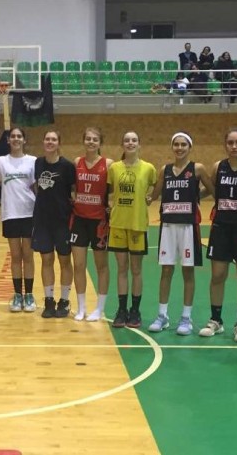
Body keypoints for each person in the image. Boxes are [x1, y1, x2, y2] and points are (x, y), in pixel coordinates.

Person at [148, 132, 213, 335]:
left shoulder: (198, 168)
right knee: (166, 271)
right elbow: (154, 195)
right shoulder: (164, 170)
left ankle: (186, 318)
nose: (179, 147)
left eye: (183, 144)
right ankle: (162, 316)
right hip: (168, 226)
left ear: (189, 147)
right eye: (176, 144)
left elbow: (212, 190)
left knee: (188, 272)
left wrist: (197, 196)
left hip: (188, 227)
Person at [200, 127, 237, 343]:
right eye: (230, 142)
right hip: (221, 227)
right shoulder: (219, 167)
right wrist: (189, 197)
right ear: (225, 144)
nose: (234, 146)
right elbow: (212, 190)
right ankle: (215, 320)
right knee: (218, 275)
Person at [107, 131, 158, 329]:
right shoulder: (114, 168)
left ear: (139, 144)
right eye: (127, 140)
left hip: (138, 224)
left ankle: (135, 310)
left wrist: (150, 197)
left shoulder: (148, 168)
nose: (130, 143)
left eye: (134, 140)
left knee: (136, 270)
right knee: (121, 269)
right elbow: (109, 191)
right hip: (118, 223)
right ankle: (121, 310)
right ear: (122, 144)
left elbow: (155, 187)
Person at [0, 127, 37, 312]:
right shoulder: (0, 162)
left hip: (29, 213)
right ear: (8, 140)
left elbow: (35, 187)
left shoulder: (33, 161)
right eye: (13, 137)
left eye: (19, 136)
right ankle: (18, 295)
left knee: (28, 255)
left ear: (24, 140)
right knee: (15, 256)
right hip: (10, 213)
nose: (16, 139)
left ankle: (29, 295)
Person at [33, 131, 76, 318]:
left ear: (59, 143)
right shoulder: (38, 163)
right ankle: (49, 300)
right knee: (46, 260)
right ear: (43, 142)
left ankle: (64, 301)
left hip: (62, 221)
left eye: (54, 139)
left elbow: (73, 191)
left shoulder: (67, 166)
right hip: (43, 220)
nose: (50, 142)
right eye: (47, 139)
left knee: (65, 261)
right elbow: (36, 187)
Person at [70, 127, 112, 321]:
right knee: (78, 265)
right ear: (83, 141)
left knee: (101, 265)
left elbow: (112, 191)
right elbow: (72, 189)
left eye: (95, 139)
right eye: (88, 139)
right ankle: (81, 308)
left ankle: (99, 309)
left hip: (99, 221)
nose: (91, 142)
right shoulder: (77, 162)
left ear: (100, 143)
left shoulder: (108, 164)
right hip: (79, 219)